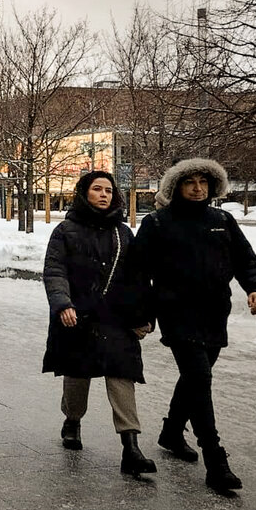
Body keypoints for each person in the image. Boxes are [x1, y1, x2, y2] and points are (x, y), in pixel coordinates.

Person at [129, 157, 256, 492]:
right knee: (200, 376)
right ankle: (215, 460)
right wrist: (142, 315)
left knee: (194, 377)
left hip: (214, 313)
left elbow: (246, 260)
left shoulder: (222, 220)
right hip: (176, 314)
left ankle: (172, 431)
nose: (197, 188)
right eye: (189, 182)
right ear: (176, 186)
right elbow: (137, 274)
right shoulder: (158, 224)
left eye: (203, 182)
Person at [42, 171, 156, 476]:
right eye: (97, 189)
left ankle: (131, 448)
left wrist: (143, 315)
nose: (104, 194)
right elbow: (54, 271)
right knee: (78, 376)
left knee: (123, 376)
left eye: (108, 190)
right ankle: (72, 420)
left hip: (116, 319)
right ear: (84, 193)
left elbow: (137, 279)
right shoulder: (66, 230)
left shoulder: (123, 233)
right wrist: (63, 304)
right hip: (78, 317)